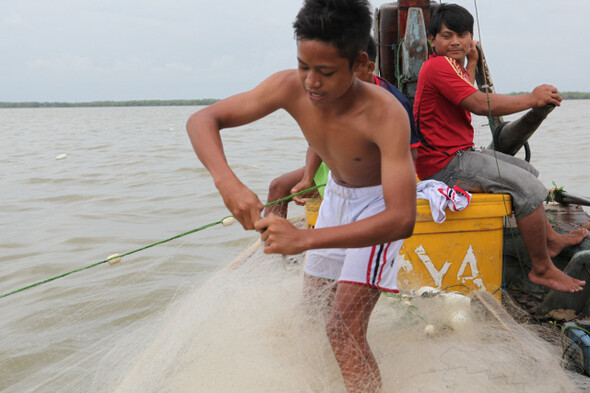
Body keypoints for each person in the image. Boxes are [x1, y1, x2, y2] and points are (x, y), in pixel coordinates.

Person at [186, 0, 416, 391]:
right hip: (335, 196)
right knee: (313, 316)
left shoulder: (385, 113)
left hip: (378, 209)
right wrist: (228, 183)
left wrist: (305, 239)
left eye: (325, 72)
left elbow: (402, 219)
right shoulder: (289, 87)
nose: (311, 82)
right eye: (303, 66)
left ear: (360, 63)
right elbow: (202, 119)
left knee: (343, 330)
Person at [414, 3, 588, 293]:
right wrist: (532, 98)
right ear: (432, 41)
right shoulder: (438, 66)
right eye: (446, 36)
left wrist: (470, 62)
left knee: (528, 172)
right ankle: (542, 269)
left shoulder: (449, 66)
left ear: (471, 38)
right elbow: (479, 103)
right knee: (528, 190)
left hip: (457, 155)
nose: (455, 41)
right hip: (445, 166)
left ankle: (552, 241)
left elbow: (464, 87)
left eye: (462, 34)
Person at [264, 36, 420, 218]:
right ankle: (272, 244)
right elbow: (316, 142)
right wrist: (307, 179)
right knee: (279, 187)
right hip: (335, 165)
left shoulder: (393, 104)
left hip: (372, 178)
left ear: (369, 68)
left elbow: (411, 155)